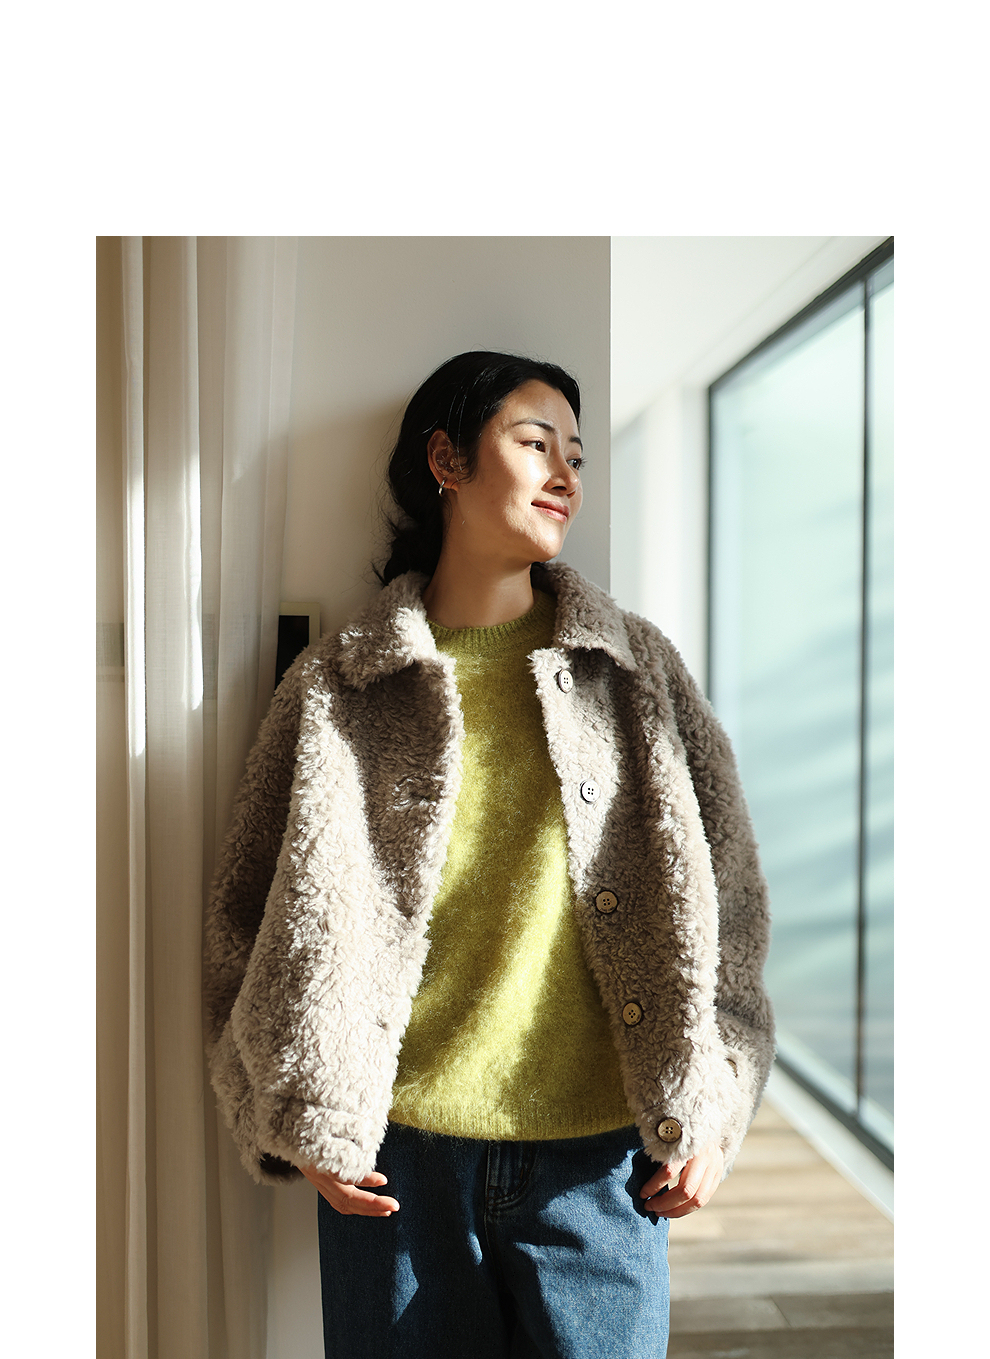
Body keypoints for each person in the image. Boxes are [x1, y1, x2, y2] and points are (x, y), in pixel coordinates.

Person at [204, 351, 774, 1359]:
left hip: (604, 1170)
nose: (565, 475)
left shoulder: (634, 672)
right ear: (447, 461)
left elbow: (729, 898)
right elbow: (242, 919)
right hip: (395, 1170)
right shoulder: (340, 686)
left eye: (577, 456)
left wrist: (716, 1104)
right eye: (534, 442)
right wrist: (290, 1113)